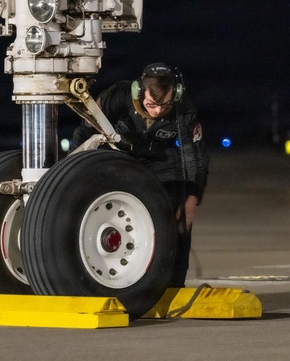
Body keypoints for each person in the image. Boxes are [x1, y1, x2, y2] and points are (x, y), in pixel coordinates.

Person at [71, 62, 210, 287]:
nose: (157, 111)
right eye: (152, 104)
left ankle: (173, 286)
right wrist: (73, 176)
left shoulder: (183, 109)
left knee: (180, 220)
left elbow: (195, 155)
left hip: (160, 163)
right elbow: (83, 134)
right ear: (138, 92)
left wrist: (191, 197)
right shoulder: (116, 97)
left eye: (164, 105)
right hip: (118, 161)